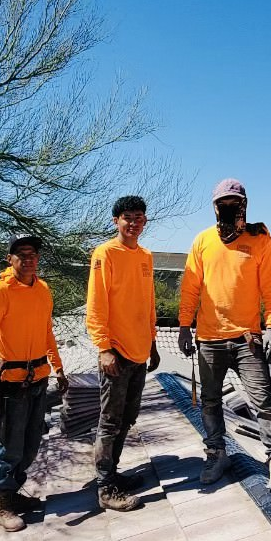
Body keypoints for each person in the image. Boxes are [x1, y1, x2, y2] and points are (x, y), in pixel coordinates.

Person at [177, 179, 271, 493]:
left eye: (234, 202)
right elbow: (190, 288)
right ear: (214, 206)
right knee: (210, 402)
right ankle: (216, 455)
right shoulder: (202, 241)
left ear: (244, 204)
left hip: (247, 340)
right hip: (209, 340)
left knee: (264, 402)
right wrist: (185, 326)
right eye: (222, 202)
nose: (228, 207)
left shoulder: (259, 240)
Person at [0, 236, 68, 532]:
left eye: (33, 254)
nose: (28, 258)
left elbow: (47, 332)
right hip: (12, 383)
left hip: (39, 378)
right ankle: (3, 501)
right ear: (9, 258)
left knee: (31, 445)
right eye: (21, 254)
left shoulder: (42, 290)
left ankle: (13, 493)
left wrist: (59, 368)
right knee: (11, 446)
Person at [86, 195, 162, 512]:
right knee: (110, 421)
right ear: (116, 221)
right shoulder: (105, 253)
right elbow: (96, 304)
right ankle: (105, 487)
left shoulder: (145, 256)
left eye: (139, 218)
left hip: (139, 352)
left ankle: (113, 474)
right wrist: (103, 347)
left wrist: (153, 343)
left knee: (127, 419)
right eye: (128, 217)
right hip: (115, 352)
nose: (134, 223)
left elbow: (147, 303)